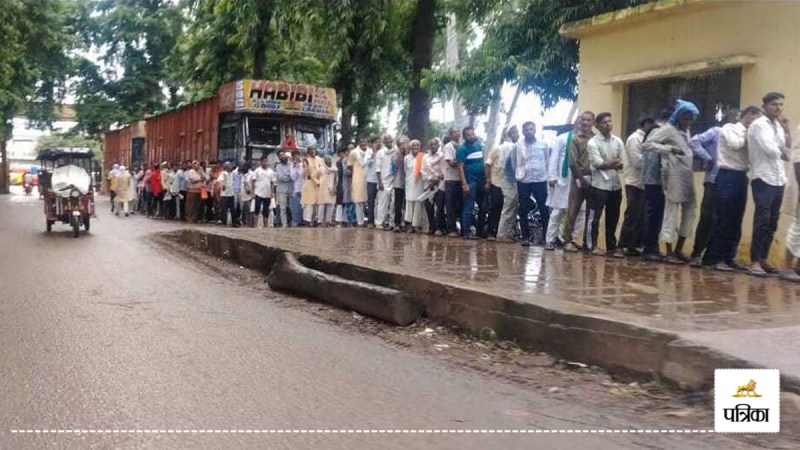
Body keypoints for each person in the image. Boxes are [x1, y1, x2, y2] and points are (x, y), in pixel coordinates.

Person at [643, 99, 707, 264]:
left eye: (689, 119)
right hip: (673, 175)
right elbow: (647, 145)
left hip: (687, 175)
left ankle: (679, 248)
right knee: (671, 211)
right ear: (677, 117)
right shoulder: (668, 130)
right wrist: (669, 150)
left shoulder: (687, 131)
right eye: (684, 118)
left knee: (691, 209)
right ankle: (669, 251)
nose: (687, 122)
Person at [702, 106, 762, 271]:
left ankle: (729, 257)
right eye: (755, 117)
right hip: (727, 175)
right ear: (748, 115)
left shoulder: (751, 133)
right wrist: (747, 131)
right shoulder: (729, 128)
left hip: (741, 176)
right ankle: (713, 258)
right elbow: (736, 144)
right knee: (724, 218)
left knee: (736, 219)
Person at [747, 92, 791, 277]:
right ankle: (754, 262)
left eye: (780, 104)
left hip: (779, 178)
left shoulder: (778, 126)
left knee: (772, 221)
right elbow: (770, 149)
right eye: (774, 104)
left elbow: (786, 145)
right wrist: (785, 153)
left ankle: (763, 258)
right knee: (762, 220)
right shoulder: (758, 125)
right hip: (763, 178)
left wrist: (786, 130)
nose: (778, 108)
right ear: (764, 106)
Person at [687, 110, 739, 266]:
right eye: (736, 120)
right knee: (708, 218)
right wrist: (707, 157)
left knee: (724, 220)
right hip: (713, 180)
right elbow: (694, 141)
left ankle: (713, 256)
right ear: (729, 120)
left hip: (730, 183)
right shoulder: (717, 131)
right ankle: (696, 253)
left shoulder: (740, 137)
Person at [585, 112, 624, 256]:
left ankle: (611, 247)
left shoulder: (618, 141)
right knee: (595, 218)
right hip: (599, 186)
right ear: (597, 125)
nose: (608, 125)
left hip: (615, 186)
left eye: (609, 121)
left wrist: (611, 164)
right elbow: (598, 164)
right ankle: (592, 245)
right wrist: (613, 162)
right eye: (604, 122)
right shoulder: (593, 142)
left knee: (613, 218)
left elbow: (623, 162)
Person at [545, 121, 586, 250]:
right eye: (580, 122)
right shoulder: (562, 138)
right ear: (575, 124)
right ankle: (550, 240)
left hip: (581, 179)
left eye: (585, 123)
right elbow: (554, 158)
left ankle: (571, 239)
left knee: (581, 211)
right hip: (563, 179)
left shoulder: (589, 140)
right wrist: (552, 177)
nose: (582, 125)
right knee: (558, 211)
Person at [618, 117, 655, 256]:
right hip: (633, 182)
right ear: (645, 124)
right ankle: (621, 246)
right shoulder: (635, 139)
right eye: (651, 125)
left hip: (643, 183)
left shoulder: (647, 139)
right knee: (632, 215)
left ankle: (632, 246)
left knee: (640, 216)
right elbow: (637, 162)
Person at [640, 108, 673, 262]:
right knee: (653, 215)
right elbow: (655, 159)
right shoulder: (659, 131)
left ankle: (652, 247)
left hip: (654, 180)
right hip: (655, 180)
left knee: (655, 215)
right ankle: (649, 248)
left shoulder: (656, 131)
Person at [563, 112, 596, 252]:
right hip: (579, 179)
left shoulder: (597, 139)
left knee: (592, 213)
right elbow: (572, 163)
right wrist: (581, 180)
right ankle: (567, 240)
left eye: (588, 120)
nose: (585, 122)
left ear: (593, 122)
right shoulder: (576, 139)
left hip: (595, 180)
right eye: (583, 119)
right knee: (573, 211)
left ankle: (588, 243)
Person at [516, 121, 551, 247]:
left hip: (540, 179)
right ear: (523, 131)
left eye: (531, 129)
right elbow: (516, 161)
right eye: (526, 130)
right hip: (524, 180)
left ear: (534, 130)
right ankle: (525, 237)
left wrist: (548, 177)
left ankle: (547, 238)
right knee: (523, 209)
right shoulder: (519, 145)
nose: (529, 132)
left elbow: (547, 160)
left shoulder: (543, 144)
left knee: (544, 208)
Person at [485, 126, 516, 242]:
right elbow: (488, 164)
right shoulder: (497, 149)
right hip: (496, 182)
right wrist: (488, 180)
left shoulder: (515, 148)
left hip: (510, 183)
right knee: (496, 207)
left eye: (516, 133)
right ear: (506, 134)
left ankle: (505, 232)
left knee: (507, 208)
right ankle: (491, 232)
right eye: (513, 132)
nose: (515, 135)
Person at [457, 126, 487, 239]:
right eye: (468, 135)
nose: (471, 136)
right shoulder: (462, 149)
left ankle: (480, 231)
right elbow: (460, 168)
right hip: (470, 182)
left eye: (472, 134)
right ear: (464, 137)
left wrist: (487, 180)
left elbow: (484, 162)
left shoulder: (479, 145)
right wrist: (464, 184)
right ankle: (466, 232)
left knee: (483, 207)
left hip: (481, 181)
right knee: (468, 207)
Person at [422, 137, 446, 235]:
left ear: (438, 145)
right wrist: (430, 179)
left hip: (439, 185)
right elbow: (422, 170)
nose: (433, 146)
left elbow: (444, 171)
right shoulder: (425, 157)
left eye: (434, 144)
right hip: (428, 185)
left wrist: (436, 180)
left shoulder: (442, 156)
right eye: (431, 144)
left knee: (439, 207)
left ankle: (440, 228)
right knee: (428, 206)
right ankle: (432, 227)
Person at [442, 127, 462, 237]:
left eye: (458, 132)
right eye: (454, 132)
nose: (456, 134)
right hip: (451, 179)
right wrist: (462, 162)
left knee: (459, 205)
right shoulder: (448, 146)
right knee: (450, 205)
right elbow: (451, 163)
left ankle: (460, 227)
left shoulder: (462, 145)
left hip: (461, 179)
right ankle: (451, 229)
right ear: (450, 135)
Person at [404, 139, 427, 233]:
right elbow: (406, 170)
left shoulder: (423, 157)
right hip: (409, 182)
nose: (415, 147)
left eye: (417, 145)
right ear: (410, 147)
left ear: (420, 146)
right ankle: (409, 224)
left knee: (418, 202)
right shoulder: (407, 158)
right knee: (409, 202)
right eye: (413, 145)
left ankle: (417, 225)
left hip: (420, 183)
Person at [375, 135, 397, 229]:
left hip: (394, 180)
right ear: (384, 142)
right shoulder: (380, 153)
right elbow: (378, 169)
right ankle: (380, 222)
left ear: (392, 141)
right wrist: (380, 182)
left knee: (393, 203)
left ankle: (392, 223)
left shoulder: (396, 151)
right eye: (386, 140)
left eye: (390, 140)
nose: (389, 141)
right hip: (383, 181)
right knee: (382, 203)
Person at [301, 145, 324, 226]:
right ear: (308, 151)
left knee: (317, 203)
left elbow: (322, 170)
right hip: (309, 183)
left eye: (314, 149)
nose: (313, 151)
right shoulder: (306, 160)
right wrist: (305, 164)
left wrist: (319, 180)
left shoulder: (319, 159)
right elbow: (305, 174)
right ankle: (307, 220)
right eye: (311, 150)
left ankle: (315, 220)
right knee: (309, 203)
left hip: (318, 183)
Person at [349, 138, 369, 226]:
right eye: (361, 141)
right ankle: (360, 221)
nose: (363, 143)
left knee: (369, 200)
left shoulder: (370, 151)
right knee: (358, 201)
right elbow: (350, 166)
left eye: (365, 141)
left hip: (369, 178)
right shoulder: (353, 152)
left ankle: (369, 220)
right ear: (358, 143)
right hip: (357, 178)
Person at [252, 157, 276, 228]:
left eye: (266, 161)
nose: (265, 163)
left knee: (266, 210)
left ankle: (265, 226)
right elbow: (253, 182)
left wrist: (272, 192)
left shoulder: (271, 172)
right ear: (261, 162)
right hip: (258, 193)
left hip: (267, 194)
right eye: (263, 161)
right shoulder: (257, 171)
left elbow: (272, 183)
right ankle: (255, 226)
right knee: (257, 209)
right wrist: (253, 193)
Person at [316, 156, 338, 227]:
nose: (328, 161)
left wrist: (335, 188)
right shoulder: (321, 169)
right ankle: (320, 221)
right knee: (321, 206)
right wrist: (318, 182)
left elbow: (336, 179)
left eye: (329, 159)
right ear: (324, 161)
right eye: (327, 160)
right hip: (322, 189)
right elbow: (314, 176)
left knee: (330, 206)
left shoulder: (334, 169)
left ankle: (328, 221)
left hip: (331, 189)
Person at [393, 136, 409, 232]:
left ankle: (407, 224)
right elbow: (395, 167)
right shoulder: (395, 154)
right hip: (398, 182)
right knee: (398, 204)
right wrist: (401, 155)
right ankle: (397, 224)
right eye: (401, 144)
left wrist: (407, 154)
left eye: (405, 143)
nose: (403, 145)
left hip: (409, 184)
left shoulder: (411, 155)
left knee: (407, 204)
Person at [336, 145, 354, 226]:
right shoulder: (344, 161)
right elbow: (347, 172)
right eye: (349, 149)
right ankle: (347, 220)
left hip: (355, 182)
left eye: (352, 149)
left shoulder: (356, 159)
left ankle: (354, 220)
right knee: (347, 201)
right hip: (346, 183)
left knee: (355, 201)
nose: (350, 151)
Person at [275, 152, 293, 228]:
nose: (283, 156)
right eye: (281, 155)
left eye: (284, 155)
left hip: (291, 189)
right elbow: (280, 177)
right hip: (281, 190)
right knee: (283, 208)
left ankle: (293, 223)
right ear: (279, 157)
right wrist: (288, 177)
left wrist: (287, 177)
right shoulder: (278, 166)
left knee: (292, 207)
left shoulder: (291, 165)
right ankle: (284, 224)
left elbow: (292, 176)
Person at [365, 137, 380, 228]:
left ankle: (379, 221)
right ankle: (370, 221)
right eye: (376, 142)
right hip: (371, 180)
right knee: (371, 202)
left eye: (379, 142)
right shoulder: (369, 152)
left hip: (381, 180)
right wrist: (373, 155)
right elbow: (366, 163)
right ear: (372, 144)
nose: (378, 144)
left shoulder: (383, 152)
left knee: (380, 202)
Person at [290, 154, 304, 227]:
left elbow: (303, 174)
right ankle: (295, 222)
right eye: (295, 157)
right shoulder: (292, 166)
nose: (296, 158)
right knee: (296, 207)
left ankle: (302, 221)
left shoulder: (303, 164)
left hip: (304, 188)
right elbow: (293, 177)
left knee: (303, 207)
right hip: (296, 189)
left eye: (297, 156)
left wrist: (299, 166)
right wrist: (295, 167)